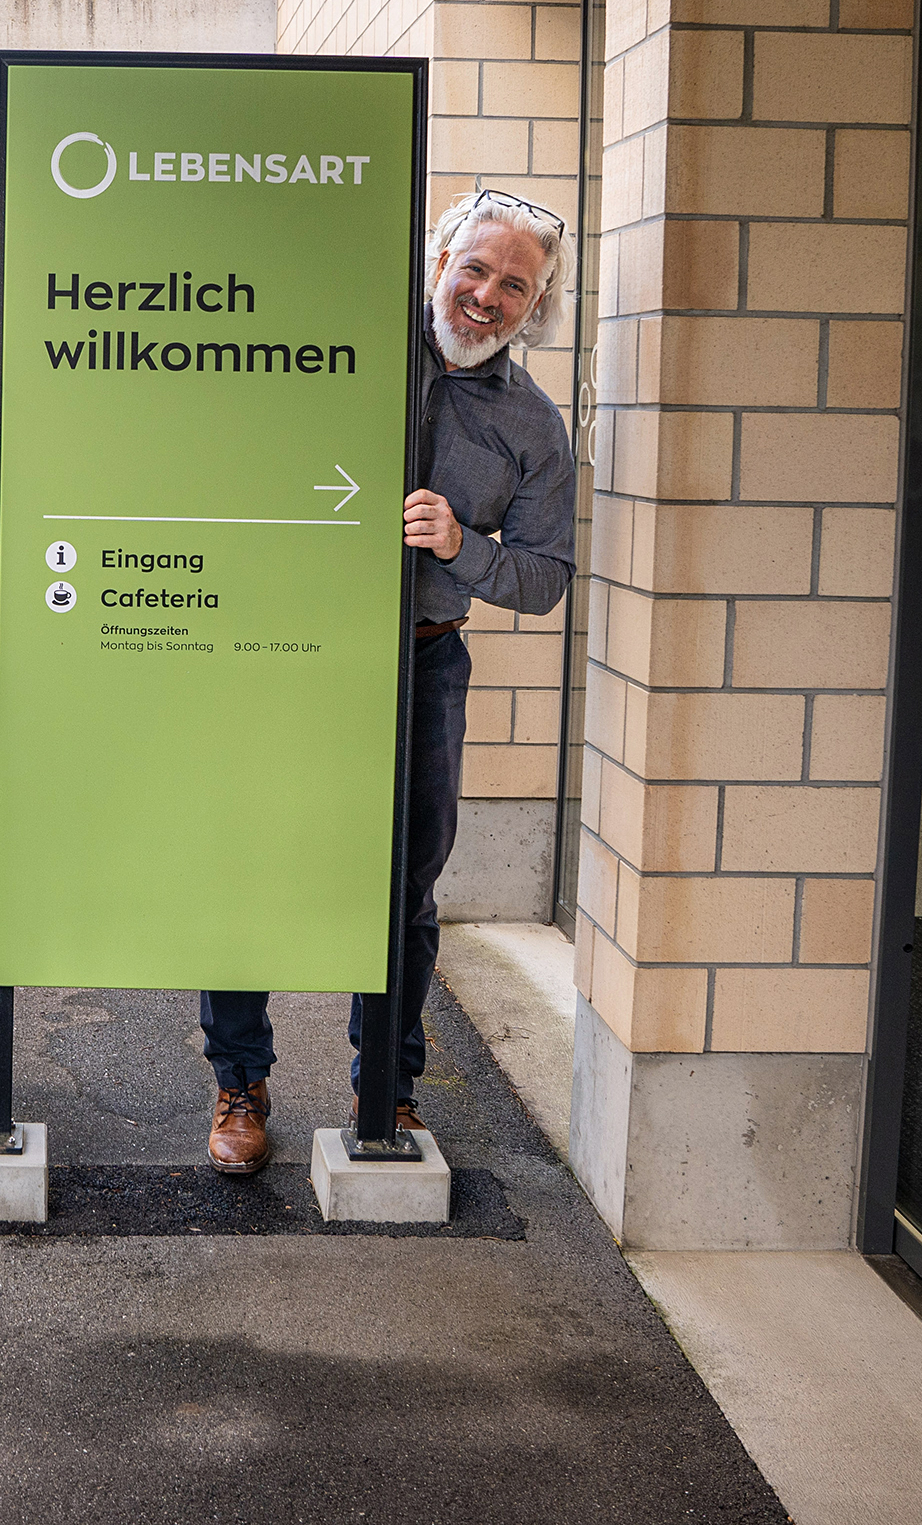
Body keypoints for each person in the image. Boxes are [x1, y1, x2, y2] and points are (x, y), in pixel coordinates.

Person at [198, 188, 576, 1174]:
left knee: (402, 884)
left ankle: (389, 1093)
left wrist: (463, 548)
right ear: (441, 258)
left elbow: (545, 577)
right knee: (249, 860)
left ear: (536, 307)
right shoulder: (347, 345)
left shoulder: (532, 427)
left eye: (516, 286)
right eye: (477, 268)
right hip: (287, 650)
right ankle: (238, 1081)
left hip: (421, 657)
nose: (488, 295)